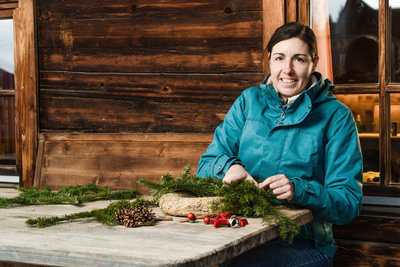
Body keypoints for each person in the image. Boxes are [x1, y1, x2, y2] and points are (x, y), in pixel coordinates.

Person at [196, 22, 363, 266]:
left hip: (302, 243)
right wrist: (228, 168)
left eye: (299, 59)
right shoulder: (248, 101)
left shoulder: (337, 116)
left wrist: (299, 190)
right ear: (269, 61)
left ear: (314, 62)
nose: (288, 69)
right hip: (238, 232)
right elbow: (207, 163)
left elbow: (348, 202)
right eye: (279, 58)